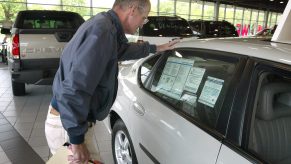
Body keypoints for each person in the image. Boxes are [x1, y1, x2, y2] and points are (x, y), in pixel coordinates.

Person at [45, 0, 179, 163]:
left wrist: (155, 48)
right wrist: (76, 140)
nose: (142, 23)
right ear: (133, 9)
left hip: (68, 118)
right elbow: (74, 88)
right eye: (144, 18)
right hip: (68, 123)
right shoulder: (103, 30)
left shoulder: (105, 25)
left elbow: (119, 50)